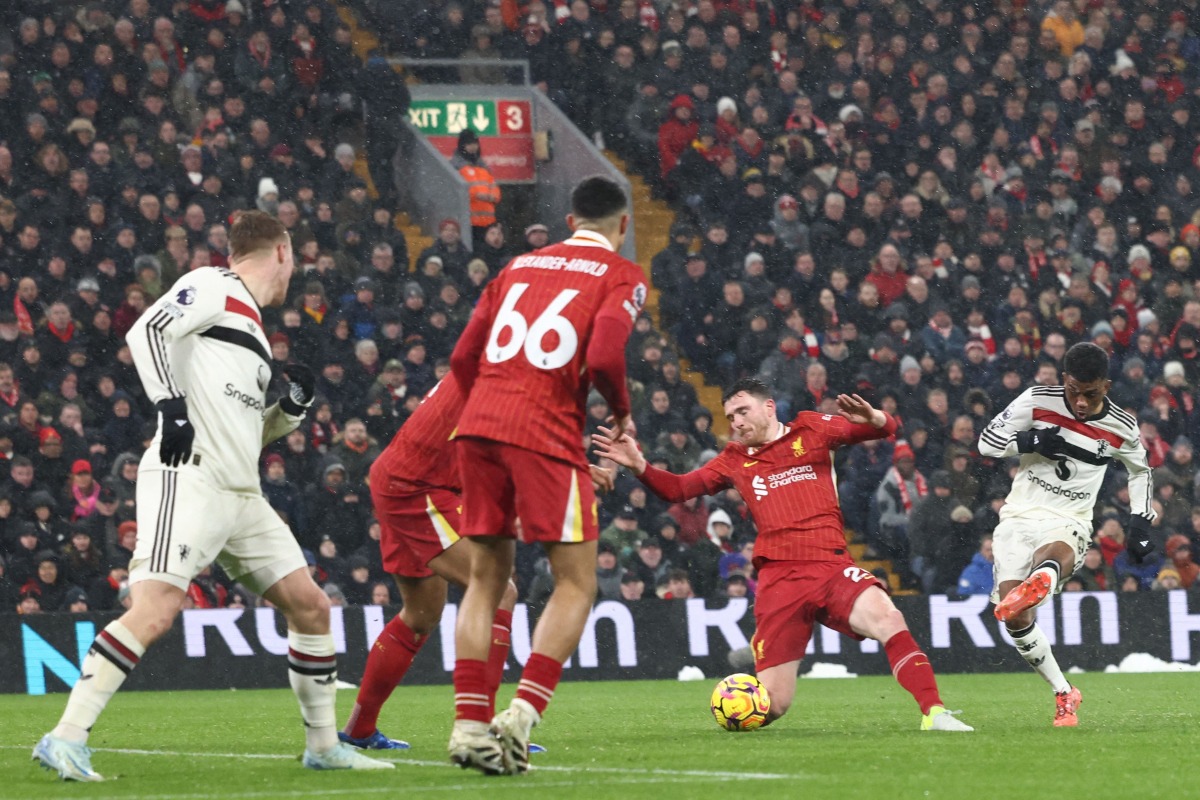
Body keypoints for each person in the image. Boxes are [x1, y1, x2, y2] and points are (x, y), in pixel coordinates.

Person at [33, 211, 389, 781]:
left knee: (312, 607)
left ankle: (323, 746)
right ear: (280, 253)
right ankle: (65, 737)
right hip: (189, 474)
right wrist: (171, 408)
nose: (294, 271)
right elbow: (146, 330)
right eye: (293, 258)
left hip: (240, 492)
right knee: (155, 611)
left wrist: (290, 410)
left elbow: (251, 435)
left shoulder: (251, 329)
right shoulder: (213, 284)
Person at [593, 378, 973, 733]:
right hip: (779, 582)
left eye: (743, 411)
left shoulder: (811, 429)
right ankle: (737, 692)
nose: (737, 422)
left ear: (769, 407)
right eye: (730, 417)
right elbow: (680, 489)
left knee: (889, 618)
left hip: (830, 565)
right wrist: (640, 466)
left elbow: (883, 430)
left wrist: (876, 417)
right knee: (771, 706)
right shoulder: (734, 459)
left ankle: (934, 712)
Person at [447, 176, 646, 774]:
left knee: (485, 580)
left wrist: (488, 408)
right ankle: (521, 716)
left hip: (479, 425)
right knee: (576, 582)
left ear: (569, 222)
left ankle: (467, 728)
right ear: (624, 225)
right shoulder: (622, 275)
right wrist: (622, 412)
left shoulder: (518, 266)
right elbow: (607, 355)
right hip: (543, 431)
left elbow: (462, 358)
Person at [339, 372, 612, 751]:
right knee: (499, 590)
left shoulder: (491, 363)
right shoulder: (502, 374)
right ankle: (480, 729)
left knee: (420, 616)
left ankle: (358, 729)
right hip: (418, 487)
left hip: (405, 479)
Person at [978, 342, 1155, 727]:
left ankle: (1044, 577)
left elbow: (1141, 471)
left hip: (1069, 516)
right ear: (1064, 380)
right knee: (1015, 618)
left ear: (1105, 386)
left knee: (1054, 552)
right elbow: (986, 444)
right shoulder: (1037, 399)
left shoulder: (1121, 426)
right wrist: (1030, 441)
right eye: (1073, 391)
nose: (1079, 402)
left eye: (1090, 394)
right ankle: (1064, 692)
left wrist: (1141, 520)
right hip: (1018, 516)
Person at [451, 129, 501, 252]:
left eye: (475, 144)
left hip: (488, 222)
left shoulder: (484, 167)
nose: (473, 147)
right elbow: (455, 190)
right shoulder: (456, 166)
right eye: (469, 144)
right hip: (469, 222)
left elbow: (495, 189)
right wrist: (477, 195)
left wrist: (491, 196)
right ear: (462, 146)